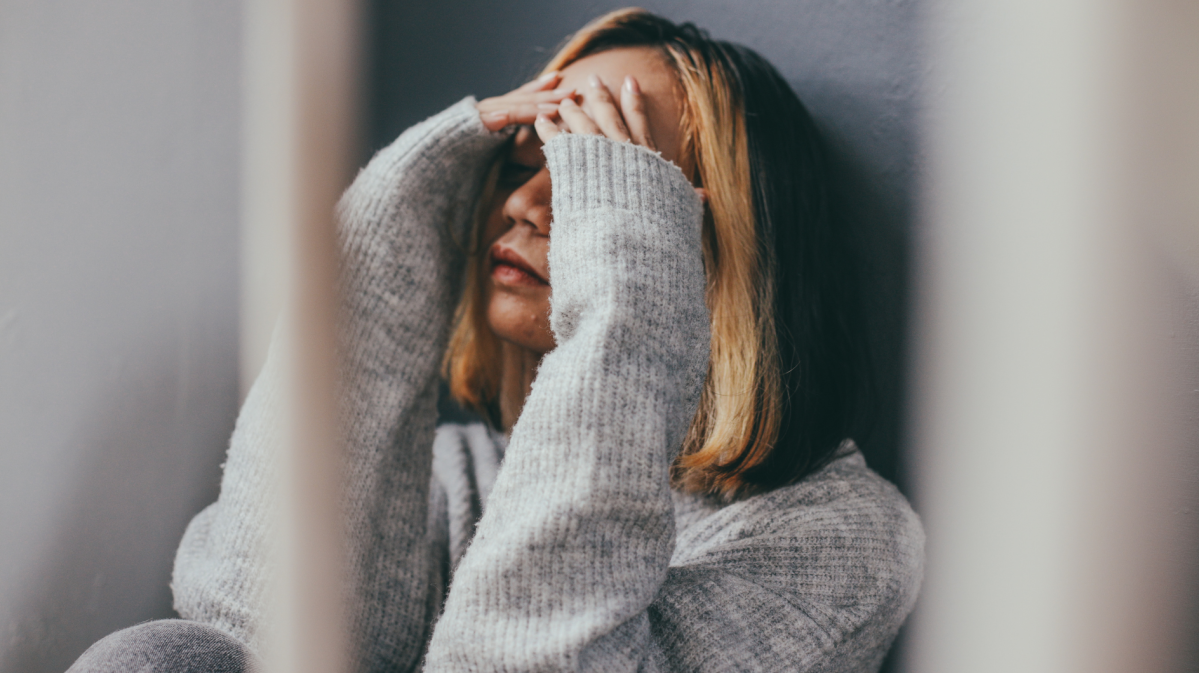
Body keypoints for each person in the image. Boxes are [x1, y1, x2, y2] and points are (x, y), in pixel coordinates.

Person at [69, 9, 923, 673]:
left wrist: (623, 297)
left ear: (703, 239)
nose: (526, 202)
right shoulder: (454, 471)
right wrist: (380, 235)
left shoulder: (843, 536)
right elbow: (254, 625)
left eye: (598, 172)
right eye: (520, 162)